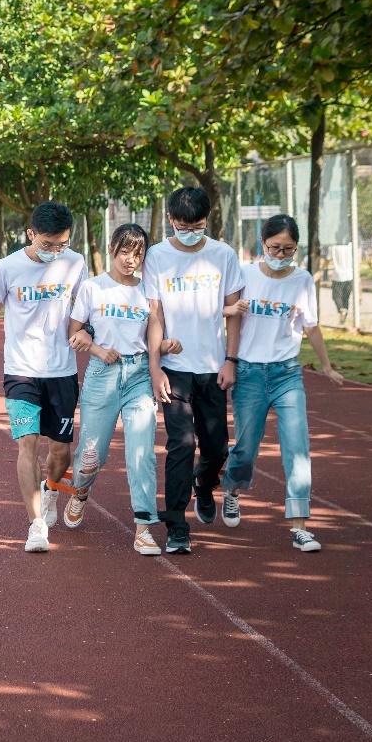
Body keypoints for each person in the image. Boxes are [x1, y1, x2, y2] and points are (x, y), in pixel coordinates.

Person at [0, 201, 88, 553]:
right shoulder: (7, 267)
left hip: (62, 370)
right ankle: (36, 524)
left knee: (61, 452)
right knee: (28, 444)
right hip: (21, 370)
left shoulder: (76, 262)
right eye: (47, 244)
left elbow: (82, 310)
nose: (54, 251)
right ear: (30, 234)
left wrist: (87, 334)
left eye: (61, 244)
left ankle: (51, 489)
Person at [221, 215, 344, 551]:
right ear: (262, 244)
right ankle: (231, 488)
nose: (280, 254)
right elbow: (220, 311)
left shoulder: (302, 279)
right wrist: (233, 308)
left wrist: (327, 366)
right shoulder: (244, 275)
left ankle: (300, 525)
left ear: (296, 249)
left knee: (298, 448)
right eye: (274, 247)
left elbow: (312, 325)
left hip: (287, 373)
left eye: (287, 249)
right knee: (246, 448)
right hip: (248, 373)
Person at [144, 186, 244, 554]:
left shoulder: (223, 254)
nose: (190, 231)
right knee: (181, 445)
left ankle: (204, 484)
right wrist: (156, 367)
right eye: (183, 225)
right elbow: (156, 313)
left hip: (213, 367)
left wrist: (231, 360)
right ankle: (176, 526)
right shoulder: (156, 256)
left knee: (217, 449)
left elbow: (235, 312)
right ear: (170, 219)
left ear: (208, 220)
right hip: (176, 368)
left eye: (197, 225)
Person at [62, 224, 167, 555]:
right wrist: (95, 349)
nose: (131, 260)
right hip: (102, 375)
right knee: (91, 456)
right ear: (111, 249)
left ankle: (144, 528)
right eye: (125, 252)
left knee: (141, 454)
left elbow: (154, 329)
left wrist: (159, 360)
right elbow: (76, 333)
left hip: (138, 377)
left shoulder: (148, 290)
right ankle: (80, 492)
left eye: (137, 254)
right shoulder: (93, 288)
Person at [321, 242, 354, 326]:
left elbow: (327, 260)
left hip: (338, 275)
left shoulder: (333, 246)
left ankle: (341, 310)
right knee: (345, 298)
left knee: (336, 296)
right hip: (350, 275)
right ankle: (343, 319)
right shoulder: (350, 245)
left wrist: (321, 269)